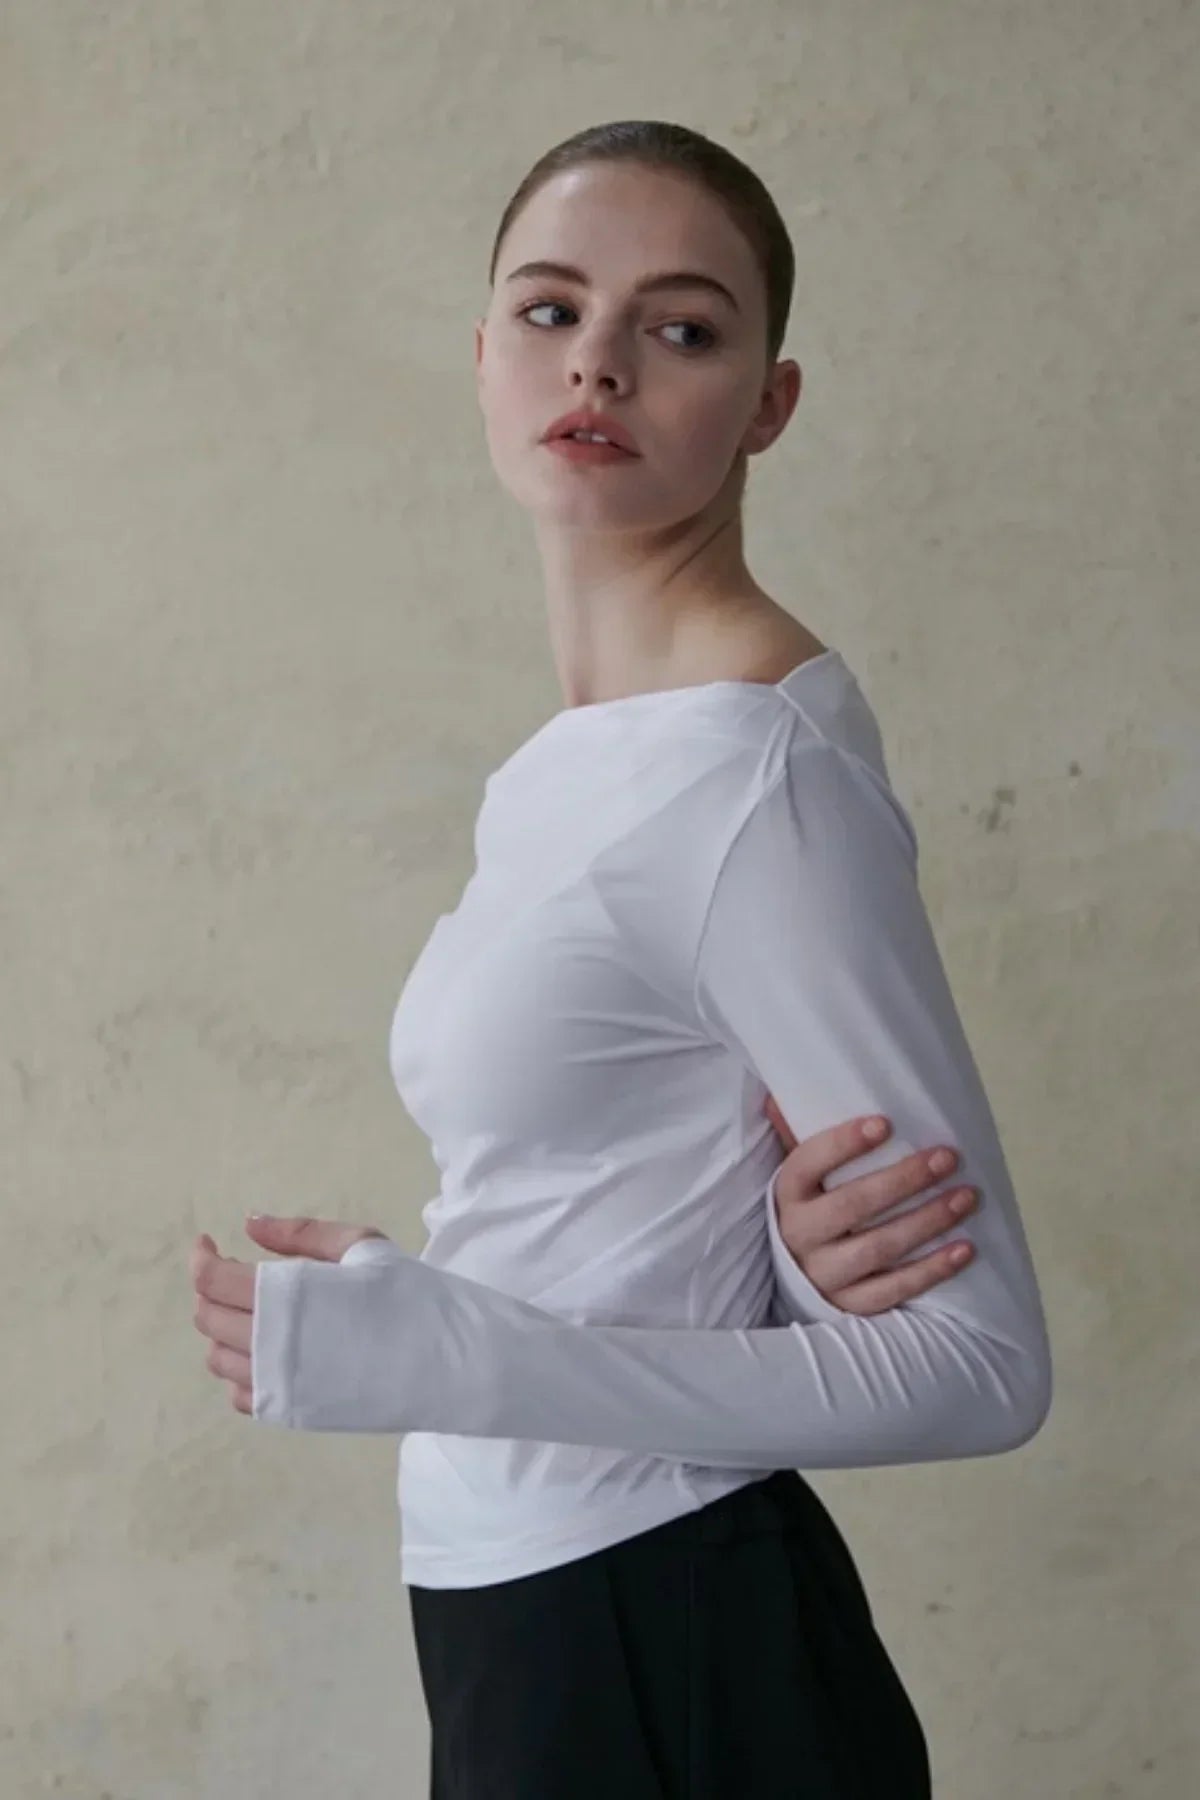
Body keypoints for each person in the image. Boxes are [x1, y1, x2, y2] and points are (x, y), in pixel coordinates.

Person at [190, 120, 1053, 1796]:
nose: (597, 361)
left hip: (669, 1632)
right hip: (525, 1610)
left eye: (681, 327)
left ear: (768, 403)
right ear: (484, 355)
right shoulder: (584, 757)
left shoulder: (751, 775)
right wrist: (433, 1303)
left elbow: (983, 1366)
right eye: (548, 308)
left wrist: (444, 1352)